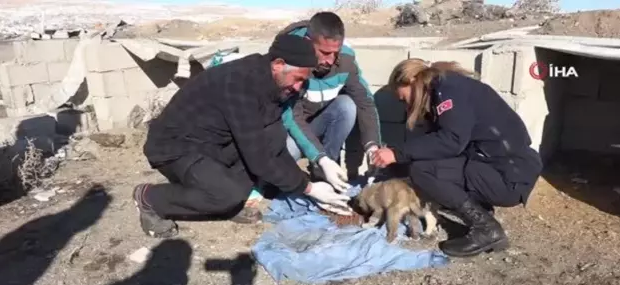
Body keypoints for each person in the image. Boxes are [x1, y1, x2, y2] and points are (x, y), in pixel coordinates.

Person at [133, 34, 352, 239]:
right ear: (278, 64)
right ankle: (150, 198)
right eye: (297, 79)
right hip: (176, 147)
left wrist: (319, 165)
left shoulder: (274, 85)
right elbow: (259, 159)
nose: (298, 87)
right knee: (226, 195)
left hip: (214, 144)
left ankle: (227, 201)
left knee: (272, 141)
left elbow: (272, 147)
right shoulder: (239, 84)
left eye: (303, 81)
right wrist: (310, 188)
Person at [372, 59, 543, 257]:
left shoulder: (449, 91)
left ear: (411, 80)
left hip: (508, 177)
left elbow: (451, 141)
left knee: (424, 171)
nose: (405, 104)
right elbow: (431, 144)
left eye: (402, 98)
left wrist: (396, 154)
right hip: (505, 169)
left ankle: (486, 229)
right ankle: (483, 212)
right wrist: (396, 166)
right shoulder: (444, 88)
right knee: (427, 170)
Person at [274, 11, 382, 193]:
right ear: (308, 43)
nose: (331, 60)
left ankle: (324, 172)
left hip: (317, 123)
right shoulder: (289, 59)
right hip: (288, 127)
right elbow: (292, 116)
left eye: (335, 53)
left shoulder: (345, 60)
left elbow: (365, 102)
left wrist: (372, 147)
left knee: (346, 105)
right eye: (324, 53)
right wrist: (320, 157)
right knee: (286, 154)